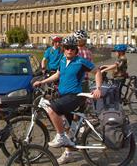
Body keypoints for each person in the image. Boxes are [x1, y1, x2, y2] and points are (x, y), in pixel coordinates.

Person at [33, 36, 102, 164]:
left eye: (72, 48)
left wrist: (98, 88)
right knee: (66, 127)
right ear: (63, 49)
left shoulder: (81, 61)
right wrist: (42, 81)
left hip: (76, 96)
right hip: (63, 96)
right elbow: (57, 75)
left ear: (76, 49)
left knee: (51, 108)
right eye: (67, 48)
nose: (69, 50)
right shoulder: (63, 60)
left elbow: (97, 71)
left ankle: (60, 137)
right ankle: (68, 153)